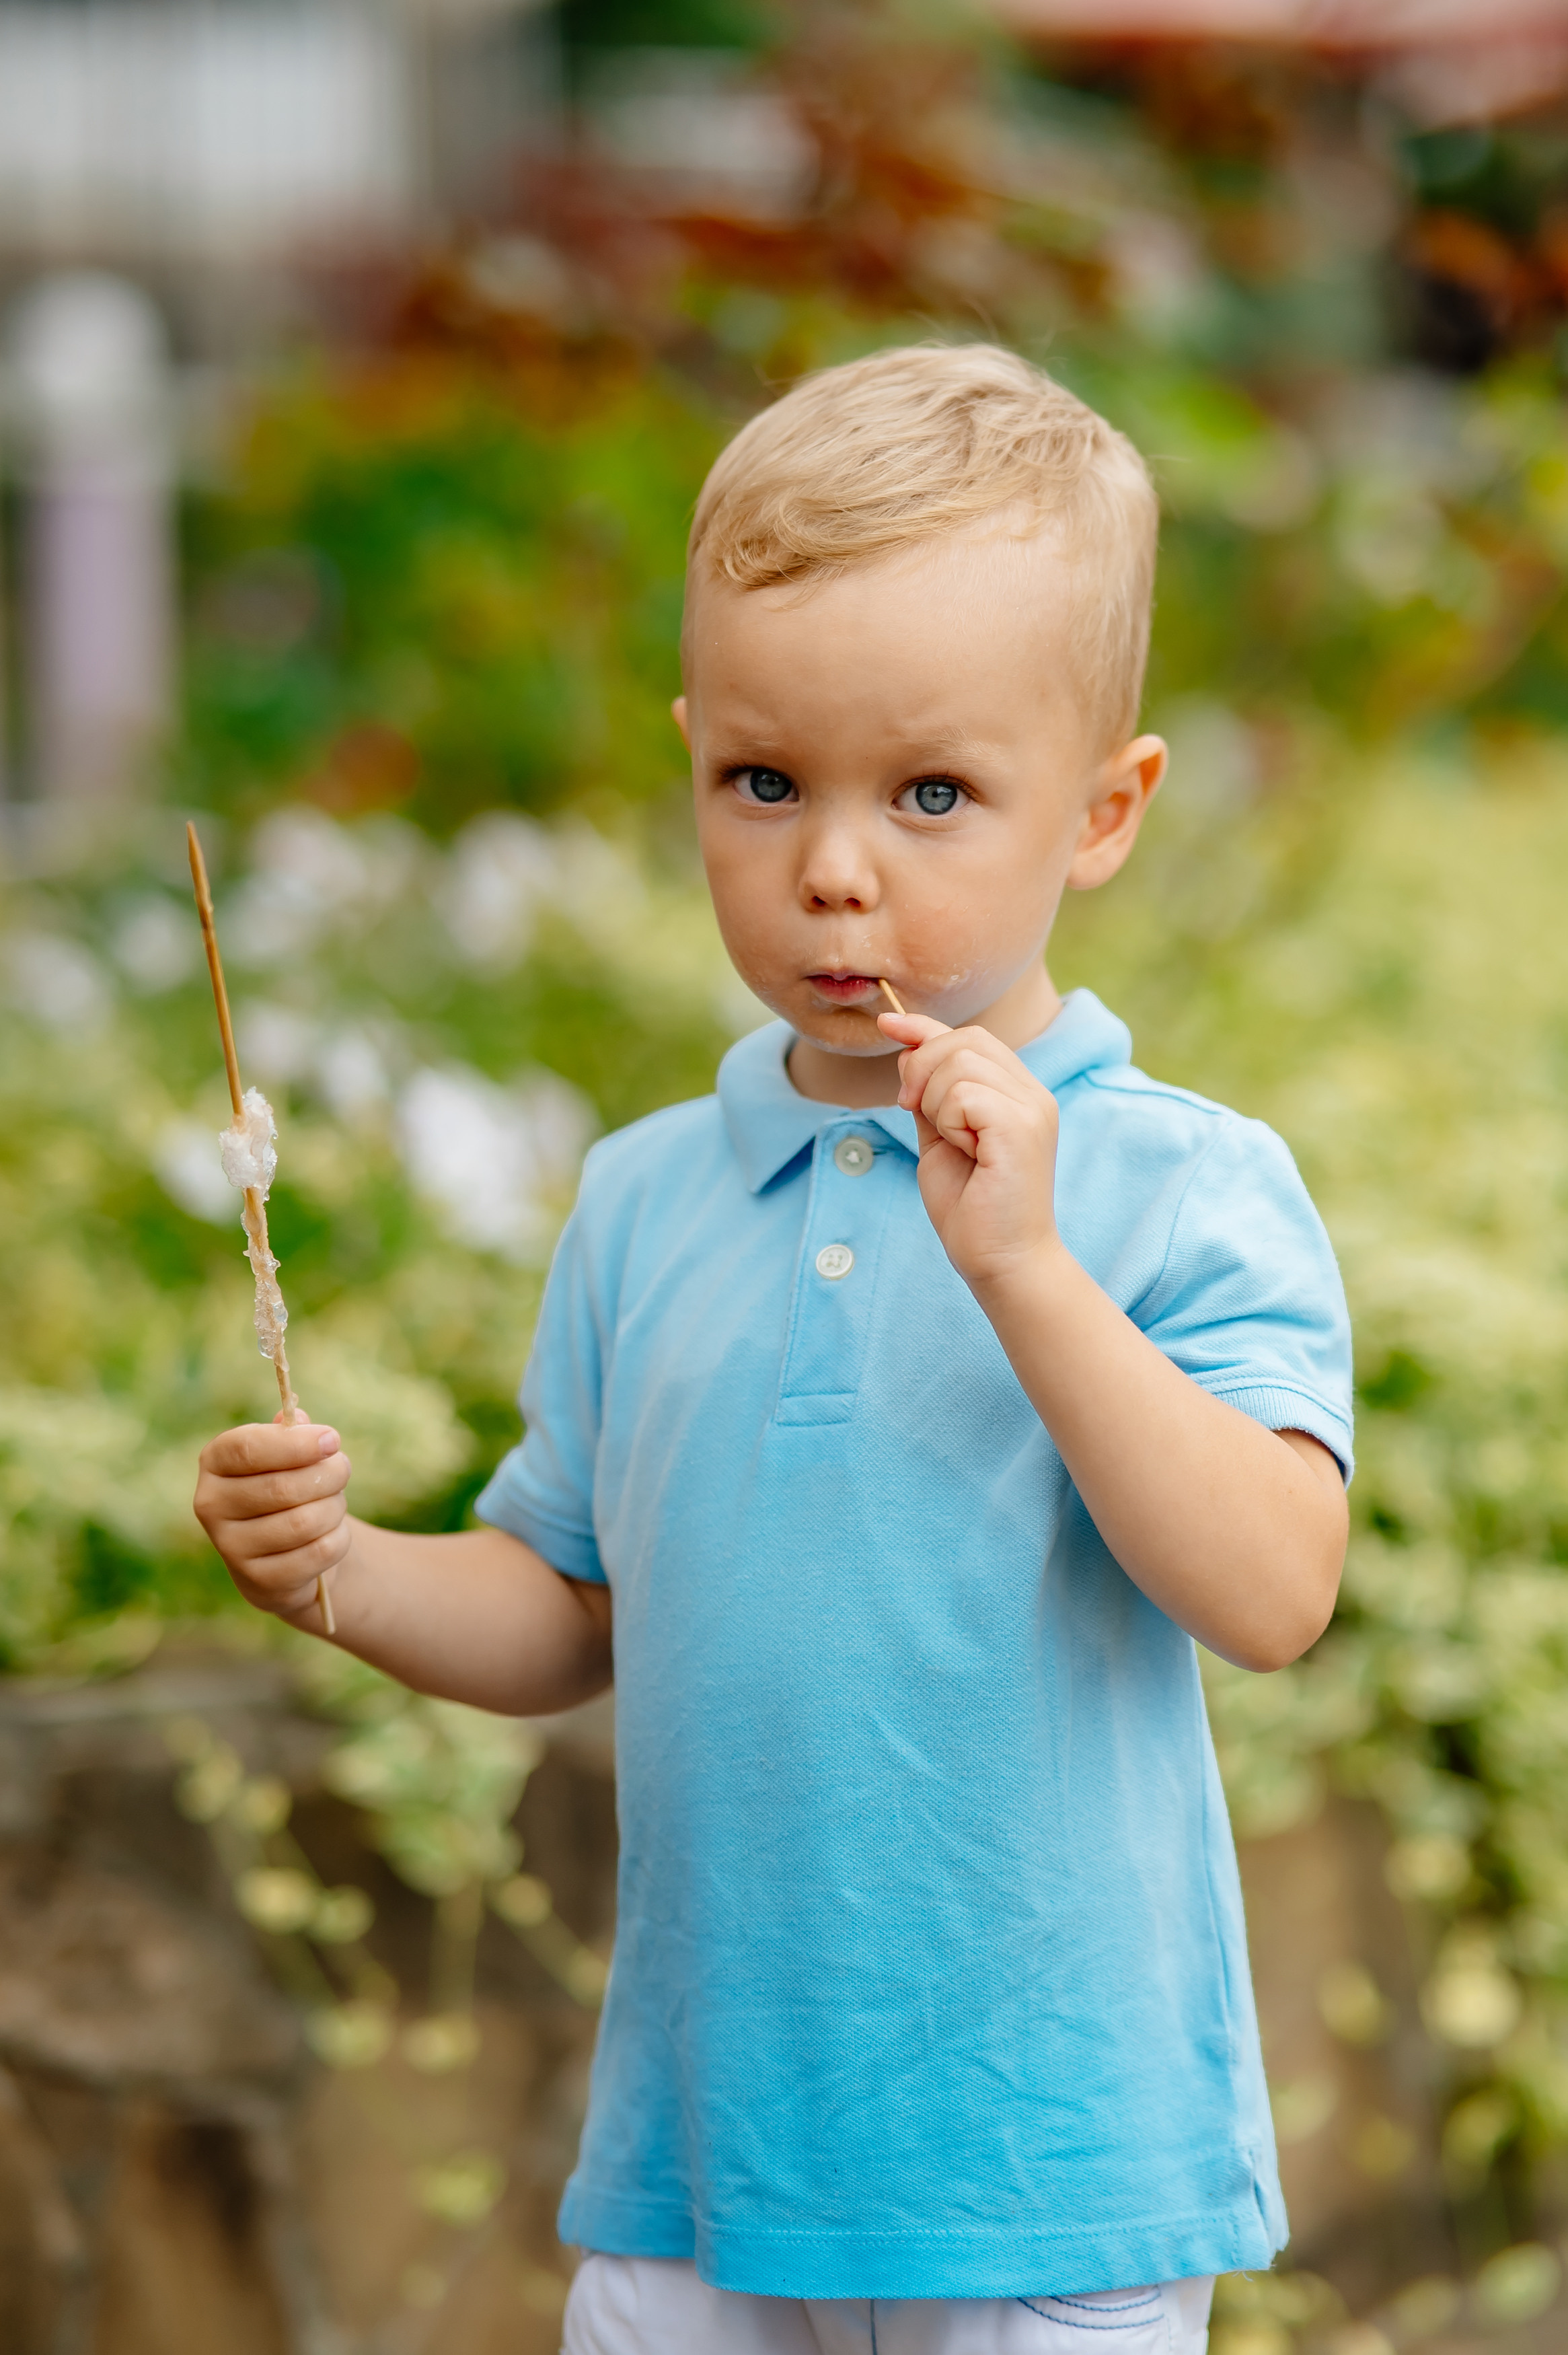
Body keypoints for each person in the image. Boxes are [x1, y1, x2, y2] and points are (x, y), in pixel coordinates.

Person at [195, 345, 1353, 2355]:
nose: (834, 863)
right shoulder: (649, 1197)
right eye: (763, 779)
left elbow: (1268, 1589)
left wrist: (1027, 1275)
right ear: (691, 760)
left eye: (929, 791)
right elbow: (569, 1605)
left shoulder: (1178, 1185)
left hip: (1046, 2181)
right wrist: (342, 1570)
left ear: (1101, 810)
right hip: (703, 2174)